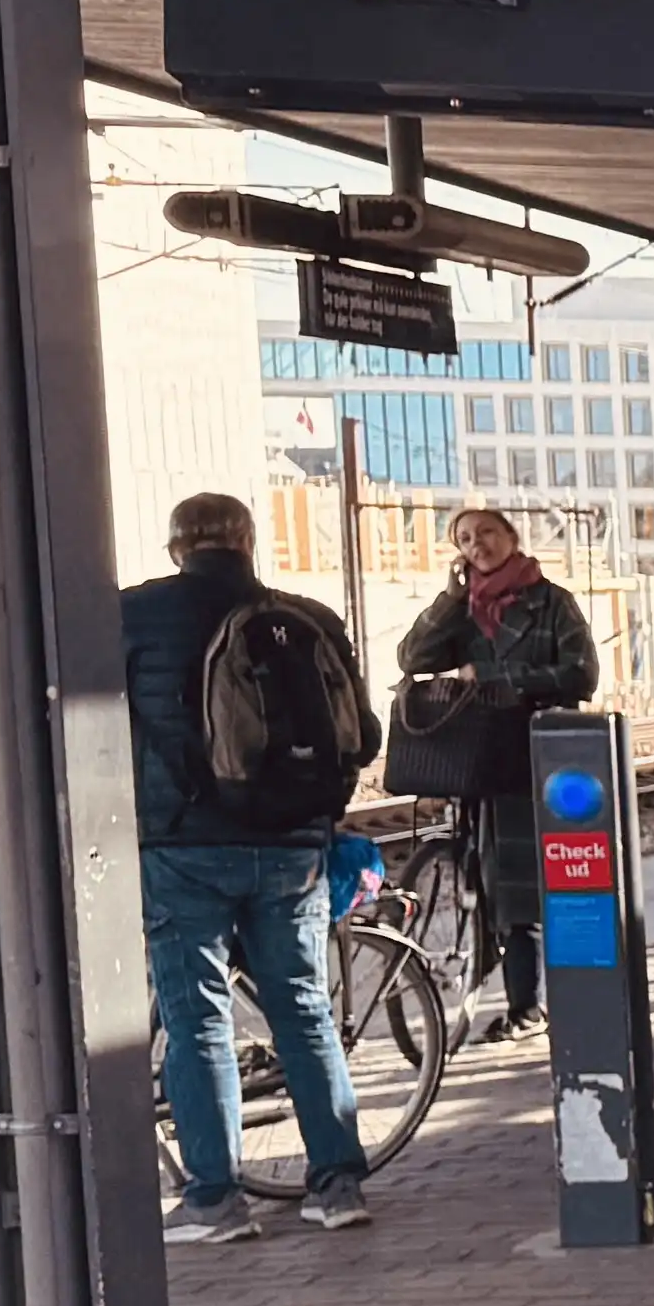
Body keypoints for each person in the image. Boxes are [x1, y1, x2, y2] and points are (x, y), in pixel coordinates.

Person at [116, 492, 373, 1240]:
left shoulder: (134, 615)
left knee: (198, 1019)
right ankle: (338, 1186)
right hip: (292, 846)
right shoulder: (307, 617)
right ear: (248, 542)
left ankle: (216, 1200)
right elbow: (363, 734)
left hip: (183, 847)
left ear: (177, 549)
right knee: (303, 1007)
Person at [390, 504, 597, 1034]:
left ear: (511, 536)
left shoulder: (552, 602)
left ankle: (529, 1005)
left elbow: (581, 674)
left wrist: (494, 676)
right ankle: (510, 993)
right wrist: (450, 597)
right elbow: (412, 657)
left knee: (523, 888)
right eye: (464, 538)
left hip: (536, 757)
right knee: (491, 881)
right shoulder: (464, 608)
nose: (476, 544)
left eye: (485, 532)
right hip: (476, 757)